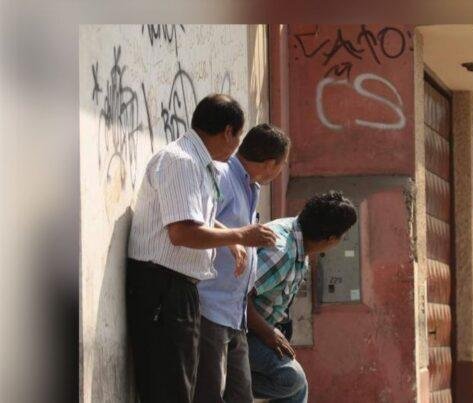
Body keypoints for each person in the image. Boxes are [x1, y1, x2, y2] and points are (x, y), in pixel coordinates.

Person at [126, 94, 278, 403]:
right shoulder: (181, 161)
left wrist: (230, 239)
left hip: (179, 289)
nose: (237, 148)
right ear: (227, 132)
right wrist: (241, 234)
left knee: (182, 387)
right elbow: (182, 232)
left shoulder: (200, 164)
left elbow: (198, 217)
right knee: (170, 390)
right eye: (238, 137)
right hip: (162, 287)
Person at [194, 123, 291, 403]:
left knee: (240, 395)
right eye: (282, 165)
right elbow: (196, 216)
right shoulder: (223, 174)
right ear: (271, 163)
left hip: (234, 313)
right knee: (209, 394)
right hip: (210, 305)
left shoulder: (249, 186)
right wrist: (234, 237)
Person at [247, 191, 358, 403]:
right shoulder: (282, 253)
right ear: (330, 238)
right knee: (291, 379)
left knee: (297, 387)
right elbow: (236, 297)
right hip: (234, 331)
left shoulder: (299, 242)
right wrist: (268, 333)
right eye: (342, 236)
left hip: (255, 330)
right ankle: (228, 382)